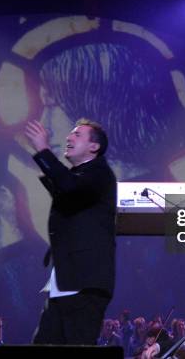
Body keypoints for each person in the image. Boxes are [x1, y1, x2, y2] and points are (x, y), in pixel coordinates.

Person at [26, 118, 117, 345]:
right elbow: (66, 186)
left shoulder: (100, 173)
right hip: (66, 281)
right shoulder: (78, 177)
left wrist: (43, 149)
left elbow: (69, 187)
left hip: (84, 284)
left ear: (93, 147)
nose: (69, 138)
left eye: (77, 135)